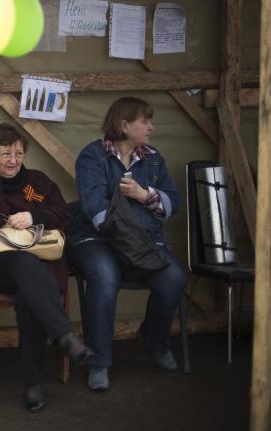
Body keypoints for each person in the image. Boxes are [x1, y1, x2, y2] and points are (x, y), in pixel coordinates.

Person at [0, 123, 93, 412]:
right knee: (25, 267)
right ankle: (64, 336)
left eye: (18, 153)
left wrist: (34, 216)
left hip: (39, 263)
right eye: (5, 153)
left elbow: (65, 217)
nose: (12, 160)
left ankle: (33, 384)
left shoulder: (39, 183)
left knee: (29, 295)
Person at [66, 97, 186, 392]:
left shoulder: (154, 158)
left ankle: (154, 340)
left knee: (174, 278)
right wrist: (127, 235)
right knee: (105, 276)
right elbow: (95, 206)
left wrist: (144, 195)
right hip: (98, 240)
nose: (151, 127)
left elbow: (174, 202)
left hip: (144, 242)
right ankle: (99, 361)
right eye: (145, 121)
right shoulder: (92, 156)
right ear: (124, 125)